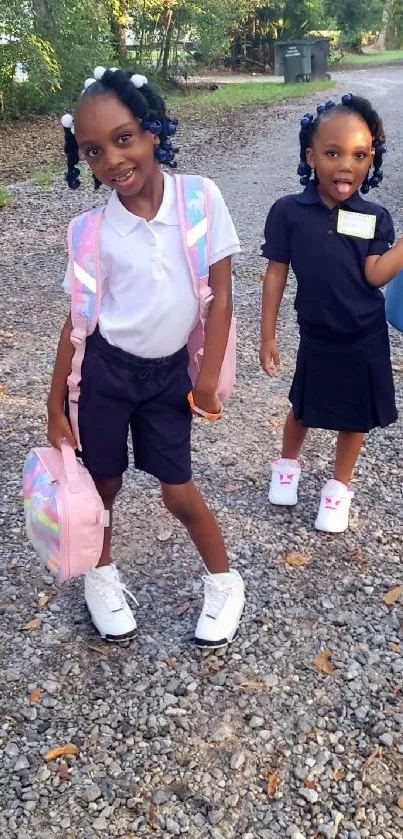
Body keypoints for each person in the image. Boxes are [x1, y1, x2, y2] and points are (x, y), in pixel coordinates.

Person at [46, 65, 244, 646]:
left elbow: (223, 291)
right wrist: (54, 402)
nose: (111, 159)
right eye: (93, 150)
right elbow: (76, 323)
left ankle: (224, 582)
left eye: (124, 137)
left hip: (167, 378)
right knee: (101, 486)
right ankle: (100, 577)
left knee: (178, 491)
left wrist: (206, 379)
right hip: (106, 374)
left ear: (153, 129)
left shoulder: (201, 198)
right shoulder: (91, 231)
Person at [260, 94, 403, 533]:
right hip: (317, 334)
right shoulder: (289, 212)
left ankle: (338, 490)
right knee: (302, 405)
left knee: (355, 417)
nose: (346, 165)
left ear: (371, 159)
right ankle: (287, 466)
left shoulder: (374, 217)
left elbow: (376, 274)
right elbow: (275, 275)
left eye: (359, 155)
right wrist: (267, 335)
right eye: (333, 153)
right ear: (311, 156)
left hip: (363, 335)